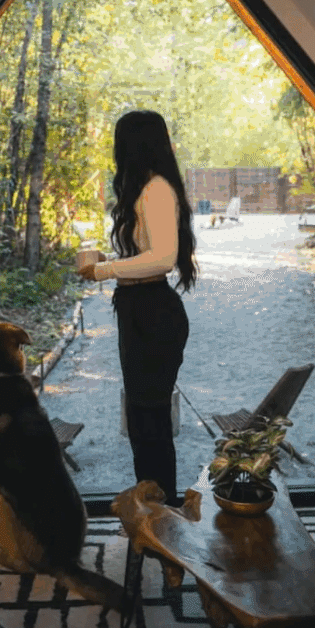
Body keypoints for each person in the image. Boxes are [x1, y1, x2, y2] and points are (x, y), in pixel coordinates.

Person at [77, 110, 197, 508]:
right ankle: (153, 512)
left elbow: (163, 258)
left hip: (153, 315)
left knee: (152, 426)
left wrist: (105, 269)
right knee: (144, 426)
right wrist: (108, 263)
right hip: (139, 311)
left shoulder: (157, 190)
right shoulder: (145, 188)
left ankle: (162, 518)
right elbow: (147, 254)